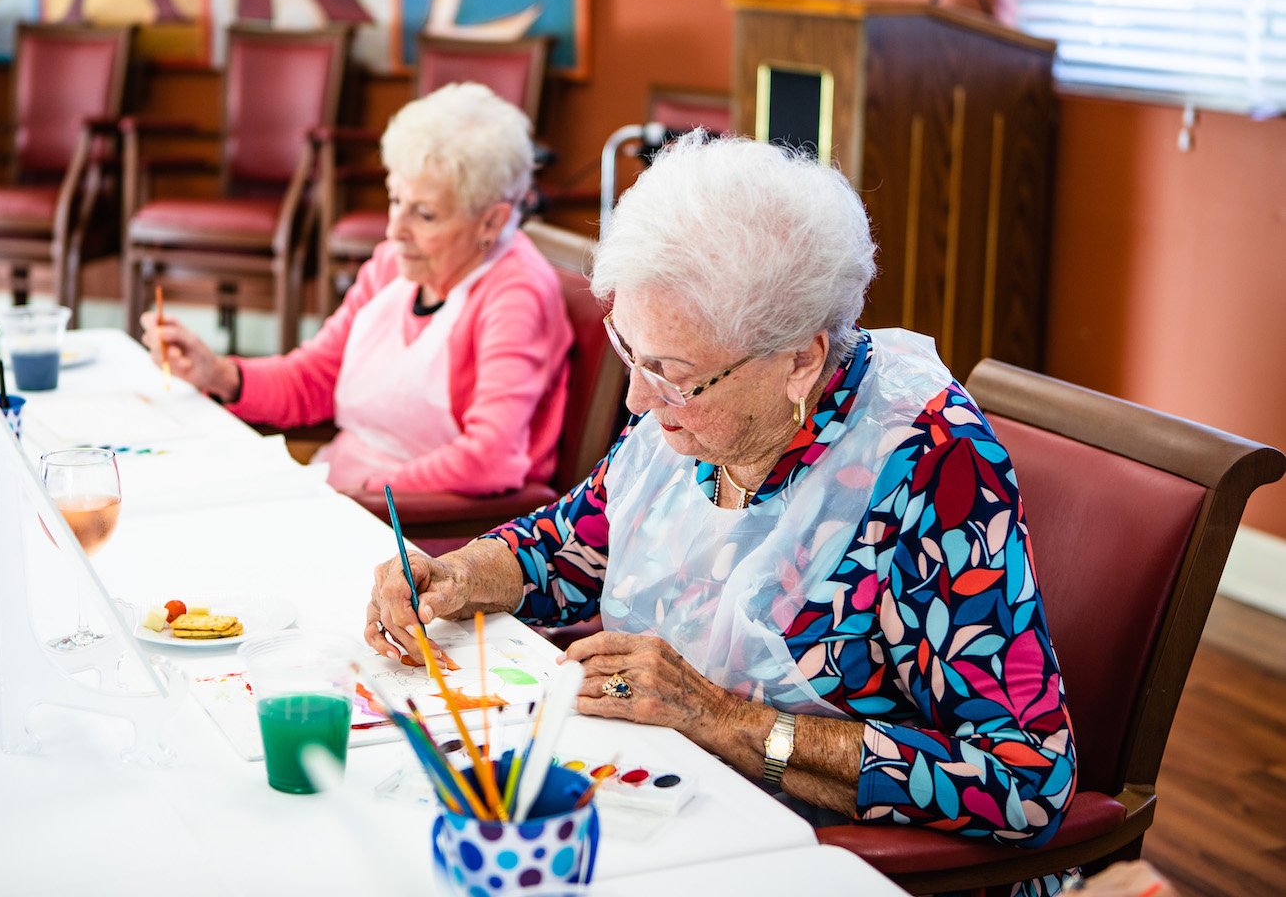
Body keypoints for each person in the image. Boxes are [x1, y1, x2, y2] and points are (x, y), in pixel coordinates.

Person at [365, 134, 1077, 896]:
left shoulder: (932, 471)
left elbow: (1023, 779)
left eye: (669, 375)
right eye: (628, 352)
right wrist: (460, 572)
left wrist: (721, 718)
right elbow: (570, 545)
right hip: (674, 820)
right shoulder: (702, 415)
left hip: (822, 864)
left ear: (799, 359)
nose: (637, 401)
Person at [142, 82, 573, 495]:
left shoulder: (515, 291)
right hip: (347, 492)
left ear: (492, 222)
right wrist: (217, 373)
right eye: (395, 200)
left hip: (427, 534)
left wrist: (362, 495)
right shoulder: (391, 265)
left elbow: (489, 460)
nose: (395, 230)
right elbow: (313, 380)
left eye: (424, 215)